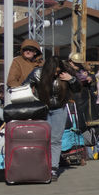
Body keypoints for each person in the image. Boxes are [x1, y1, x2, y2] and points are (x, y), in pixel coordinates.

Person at [35, 52, 78, 181]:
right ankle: (41, 166)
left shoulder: (64, 75)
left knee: (55, 139)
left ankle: (53, 168)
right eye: (54, 70)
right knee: (43, 139)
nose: (56, 73)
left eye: (58, 70)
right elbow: (25, 85)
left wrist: (71, 79)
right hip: (44, 110)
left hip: (59, 109)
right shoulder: (38, 74)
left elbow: (77, 89)